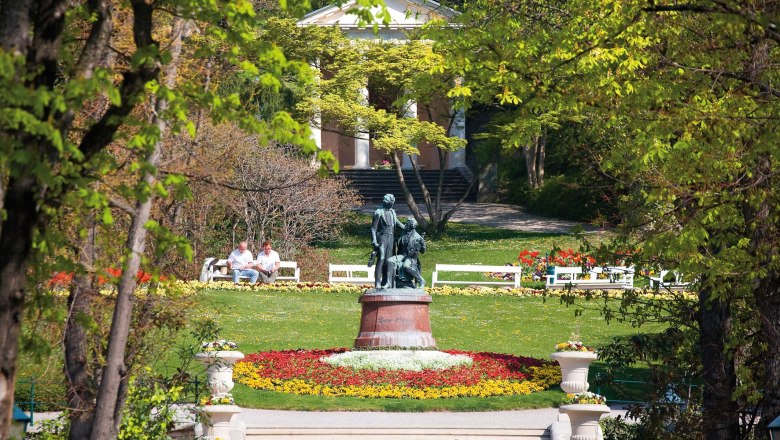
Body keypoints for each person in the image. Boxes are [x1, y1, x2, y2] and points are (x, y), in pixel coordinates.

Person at [370, 193, 404, 289]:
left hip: (391, 238)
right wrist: (374, 241)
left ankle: (387, 281)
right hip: (382, 238)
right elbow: (373, 228)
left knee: (389, 261)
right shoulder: (378, 212)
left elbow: (397, 222)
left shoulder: (393, 212)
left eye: (392, 203)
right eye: (390, 203)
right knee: (381, 258)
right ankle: (377, 282)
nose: (392, 205)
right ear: (386, 202)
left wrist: (406, 228)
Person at [387, 218, 426, 288]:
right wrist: (393, 215)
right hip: (402, 255)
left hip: (410, 258)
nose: (405, 225)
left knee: (406, 266)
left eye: (407, 224)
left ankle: (421, 280)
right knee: (390, 261)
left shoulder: (417, 237)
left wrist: (422, 243)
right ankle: (389, 283)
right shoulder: (404, 232)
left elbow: (423, 251)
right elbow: (399, 223)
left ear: (411, 226)